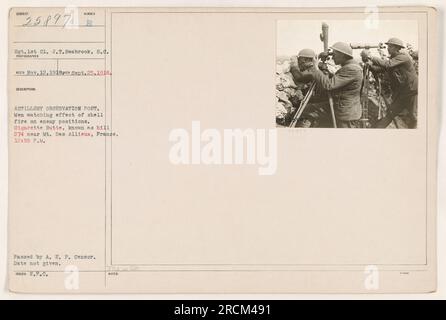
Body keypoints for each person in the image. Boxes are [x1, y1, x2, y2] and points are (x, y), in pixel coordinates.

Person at [298, 42, 363, 128]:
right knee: (309, 108)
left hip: (345, 113)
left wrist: (315, 68)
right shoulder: (350, 66)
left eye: (334, 55)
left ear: (342, 55)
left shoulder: (351, 69)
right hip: (342, 107)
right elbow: (338, 80)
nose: (332, 57)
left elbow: (329, 85)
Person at [367, 37, 418, 128]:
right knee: (391, 113)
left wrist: (370, 56)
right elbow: (382, 68)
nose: (388, 48)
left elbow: (387, 64)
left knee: (413, 116)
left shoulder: (403, 57)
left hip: (411, 91)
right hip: (402, 93)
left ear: (396, 48)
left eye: (390, 46)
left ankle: (415, 134)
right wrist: (369, 65)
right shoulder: (394, 59)